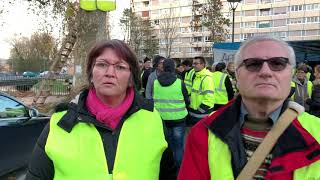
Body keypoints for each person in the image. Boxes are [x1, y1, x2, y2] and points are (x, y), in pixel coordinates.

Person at [26, 40, 177, 180]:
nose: (110, 73)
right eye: (102, 64)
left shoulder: (152, 119)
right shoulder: (60, 124)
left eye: (120, 67)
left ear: (131, 78)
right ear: (91, 74)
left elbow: (169, 174)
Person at [178, 36, 320, 179]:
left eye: (278, 63)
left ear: (291, 74)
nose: (265, 72)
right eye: (253, 64)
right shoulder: (203, 133)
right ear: (238, 76)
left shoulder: (317, 130)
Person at [153, 58, 190, 168]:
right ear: (173, 68)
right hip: (179, 119)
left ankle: (168, 168)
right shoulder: (179, 82)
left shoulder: (156, 82)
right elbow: (186, 100)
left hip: (162, 120)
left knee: (167, 145)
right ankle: (179, 170)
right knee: (178, 146)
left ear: (163, 68)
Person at [188, 56, 214, 126]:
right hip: (195, 113)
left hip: (202, 114)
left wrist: (199, 110)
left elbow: (209, 99)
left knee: (201, 135)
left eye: (196, 63)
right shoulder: (197, 76)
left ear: (202, 65)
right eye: (193, 63)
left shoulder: (207, 78)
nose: (193, 65)